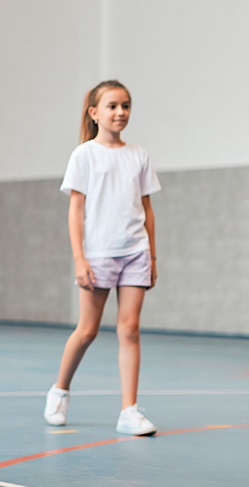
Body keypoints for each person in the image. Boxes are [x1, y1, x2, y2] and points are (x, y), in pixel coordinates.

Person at [44, 80, 161, 436]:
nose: (120, 112)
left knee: (130, 329)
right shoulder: (84, 155)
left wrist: (152, 256)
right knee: (88, 330)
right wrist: (80, 259)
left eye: (125, 105)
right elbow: (75, 210)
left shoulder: (139, 155)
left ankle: (129, 410)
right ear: (94, 113)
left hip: (135, 252)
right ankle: (60, 390)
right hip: (97, 255)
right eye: (112, 106)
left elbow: (148, 209)